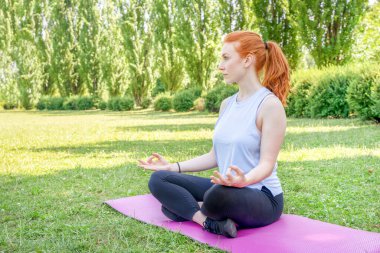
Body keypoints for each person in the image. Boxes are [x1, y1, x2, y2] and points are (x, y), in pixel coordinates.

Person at [138, 31, 289, 238]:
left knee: (213, 195)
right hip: (226, 187)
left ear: (247, 60)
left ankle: (185, 208)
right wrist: (172, 167)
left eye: (226, 58)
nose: (220, 65)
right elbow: (214, 156)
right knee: (159, 179)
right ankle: (207, 221)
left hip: (261, 196)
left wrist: (243, 181)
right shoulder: (227, 104)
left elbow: (267, 164)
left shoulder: (269, 105)